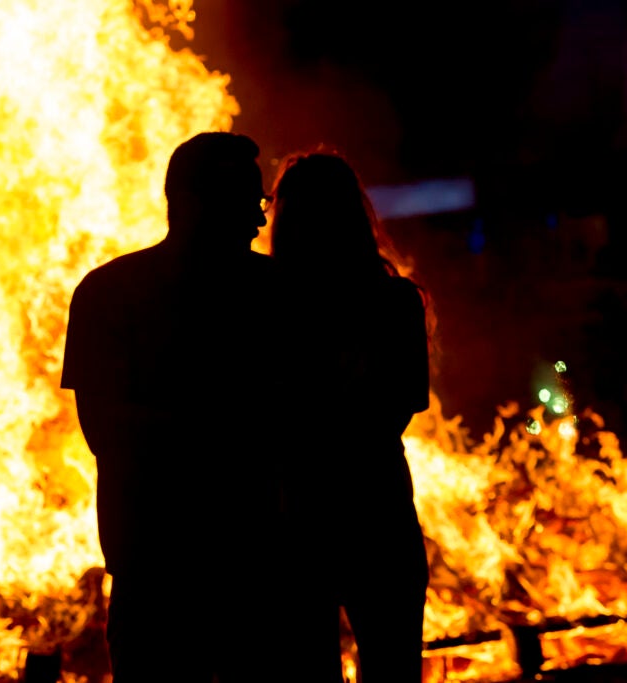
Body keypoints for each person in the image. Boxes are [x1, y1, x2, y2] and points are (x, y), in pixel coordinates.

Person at [61, 132, 287, 683]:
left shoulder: (278, 292)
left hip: (228, 570)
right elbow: (105, 430)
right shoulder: (110, 294)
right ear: (197, 200)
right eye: (249, 203)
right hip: (178, 571)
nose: (260, 222)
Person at [268, 149, 432, 682]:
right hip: (378, 510)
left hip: (295, 518)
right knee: (392, 668)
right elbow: (402, 404)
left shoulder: (262, 303)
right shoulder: (396, 301)